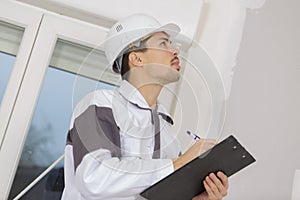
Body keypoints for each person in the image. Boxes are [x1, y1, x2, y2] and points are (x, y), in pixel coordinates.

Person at [61, 13, 228, 200]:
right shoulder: (100, 105)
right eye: (163, 43)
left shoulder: (169, 138)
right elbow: (94, 179)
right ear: (137, 59)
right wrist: (178, 164)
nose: (175, 51)